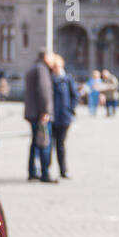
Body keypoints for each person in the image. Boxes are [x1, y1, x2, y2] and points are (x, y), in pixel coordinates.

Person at [23, 49, 56, 183]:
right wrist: (46, 111)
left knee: (35, 144)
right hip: (40, 113)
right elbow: (44, 91)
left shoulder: (33, 68)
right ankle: (45, 173)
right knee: (44, 143)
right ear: (46, 57)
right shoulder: (42, 69)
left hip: (32, 112)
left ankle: (32, 171)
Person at [50, 53, 76, 180]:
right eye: (54, 67)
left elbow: (74, 95)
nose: (56, 69)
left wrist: (70, 110)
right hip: (52, 117)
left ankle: (63, 170)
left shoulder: (67, 79)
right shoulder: (50, 79)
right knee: (48, 145)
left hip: (64, 117)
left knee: (60, 145)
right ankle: (47, 169)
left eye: (58, 66)